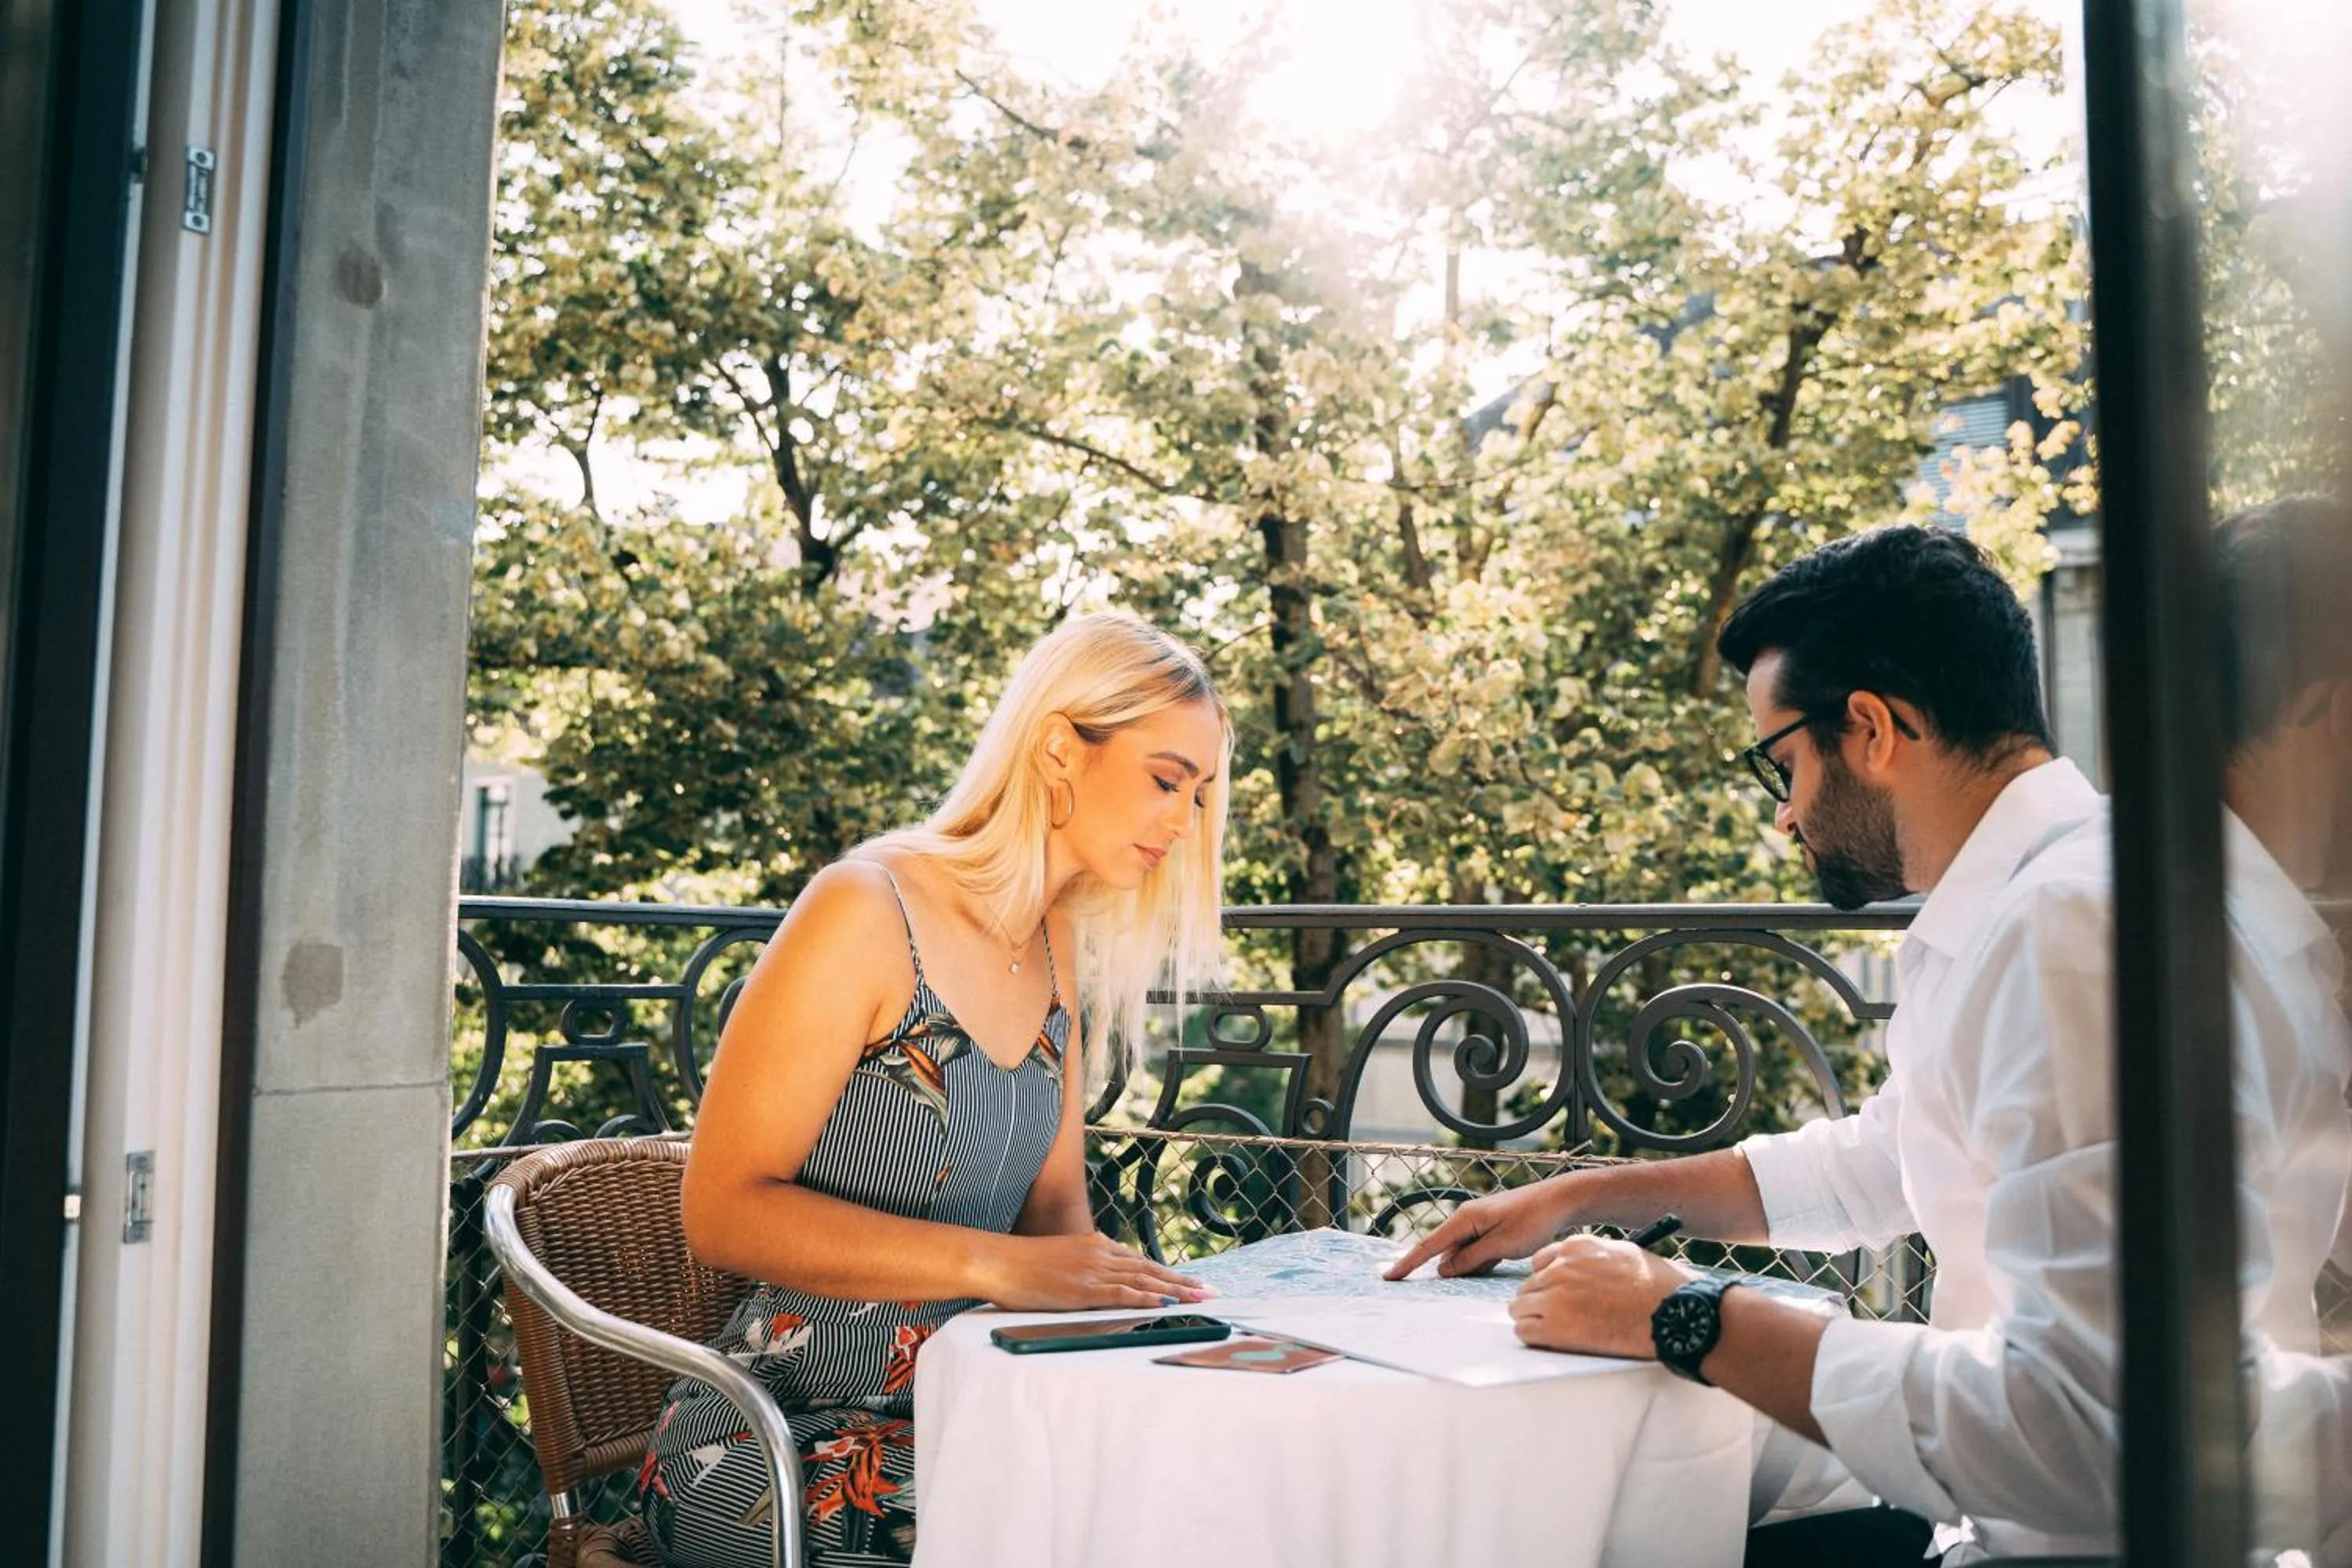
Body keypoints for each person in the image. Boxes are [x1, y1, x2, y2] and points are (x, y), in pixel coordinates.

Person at [1388, 522, 2352, 1565]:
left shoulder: (2076, 929)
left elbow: (2087, 1428)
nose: (1786, 817)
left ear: (1873, 729)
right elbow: (1893, 1158)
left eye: (1783, 763)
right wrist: (1585, 1195)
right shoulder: (2061, 900)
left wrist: (1687, 1318)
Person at [635, 612, 1232, 1568]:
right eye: (1168, 779)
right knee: (1060, 1534)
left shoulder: (1055, 944)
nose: (1183, 819)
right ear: (1057, 746)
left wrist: (1152, 1319)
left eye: (1198, 795)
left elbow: (1054, 1216)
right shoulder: (864, 907)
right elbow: (721, 1210)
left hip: (972, 1413)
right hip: (769, 1443)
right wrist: (996, 1268)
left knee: (1194, 1490)